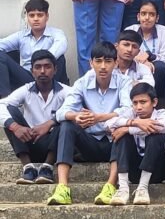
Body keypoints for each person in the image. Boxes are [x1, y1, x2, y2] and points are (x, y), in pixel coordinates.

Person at [46, 42, 132, 206]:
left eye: (108, 61)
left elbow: (129, 110)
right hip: (89, 143)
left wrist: (99, 117)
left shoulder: (124, 82)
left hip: (113, 142)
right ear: (91, 63)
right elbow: (61, 112)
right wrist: (76, 116)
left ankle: (110, 186)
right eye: (98, 61)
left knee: (123, 129)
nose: (103, 66)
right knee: (66, 125)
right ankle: (62, 188)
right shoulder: (82, 82)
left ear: (116, 63)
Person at [0, 50, 69, 185]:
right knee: (9, 111)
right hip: (29, 140)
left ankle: (47, 168)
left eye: (47, 67)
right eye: (38, 67)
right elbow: (2, 104)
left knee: (66, 120)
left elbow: (78, 109)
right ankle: (28, 167)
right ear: (32, 71)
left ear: (55, 70)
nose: (42, 71)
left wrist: (50, 123)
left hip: (55, 146)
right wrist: (15, 127)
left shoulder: (66, 91)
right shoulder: (26, 90)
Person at [106, 82, 165, 205]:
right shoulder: (131, 114)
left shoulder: (162, 113)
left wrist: (127, 129)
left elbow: (160, 127)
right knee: (122, 137)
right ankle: (123, 188)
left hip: (157, 170)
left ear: (154, 102)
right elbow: (108, 124)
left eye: (143, 102)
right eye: (135, 103)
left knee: (155, 136)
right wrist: (134, 123)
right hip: (134, 170)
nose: (138, 107)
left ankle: (142, 188)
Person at [0, 0, 68, 96]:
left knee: (60, 58)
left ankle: (53, 93)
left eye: (40, 15)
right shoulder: (20, 36)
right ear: (27, 17)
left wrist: (40, 61)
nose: (35, 19)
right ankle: (5, 99)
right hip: (27, 77)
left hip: (47, 76)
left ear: (47, 16)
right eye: (31, 15)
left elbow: (62, 45)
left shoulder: (56, 33)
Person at [126, 1, 165, 97]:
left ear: (157, 18)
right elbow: (125, 53)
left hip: (155, 69)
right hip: (135, 66)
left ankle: (152, 98)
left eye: (151, 14)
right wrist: (143, 63)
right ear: (138, 16)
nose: (147, 17)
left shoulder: (163, 31)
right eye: (143, 14)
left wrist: (150, 56)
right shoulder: (130, 30)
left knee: (160, 67)